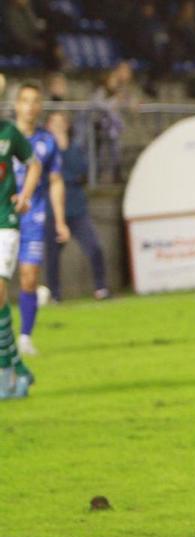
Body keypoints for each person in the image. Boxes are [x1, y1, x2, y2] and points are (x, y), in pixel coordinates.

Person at [13, 83, 68, 357]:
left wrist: (59, 220)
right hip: (5, 215)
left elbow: (56, 182)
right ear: (16, 105)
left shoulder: (47, 142)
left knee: (29, 277)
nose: (30, 107)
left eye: (35, 101)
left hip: (34, 216)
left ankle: (24, 337)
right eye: (25, 101)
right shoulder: (5, 137)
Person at [0, 74, 43, 399]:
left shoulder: (8, 133)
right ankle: (19, 368)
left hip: (6, 221)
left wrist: (25, 196)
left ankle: (5, 375)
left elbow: (34, 165)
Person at [43, 112, 109, 302]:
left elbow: (81, 170)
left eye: (61, 122)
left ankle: (101, 287)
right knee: (52, 256)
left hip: (77, 207)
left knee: (95, 247)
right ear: (47, 126)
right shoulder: (44, 150)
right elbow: (48, 176)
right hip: (53, 209)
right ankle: (55, 294)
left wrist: (64, 148)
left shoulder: (75, 148)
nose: (57, 126)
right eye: (53, 122)